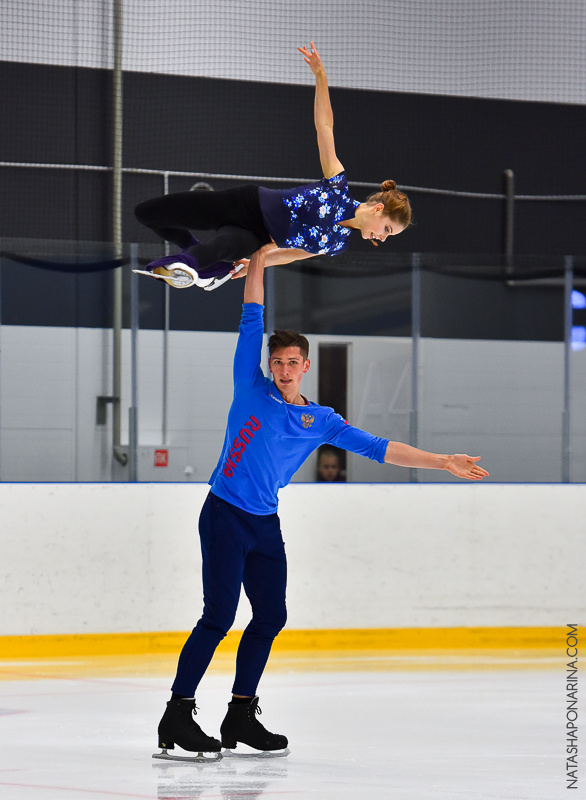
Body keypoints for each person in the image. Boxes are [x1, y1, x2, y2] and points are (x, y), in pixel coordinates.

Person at [155, 244, 489, 761]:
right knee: (218, 617)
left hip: (265, 524)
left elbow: (382, 449)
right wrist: (259, 262)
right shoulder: (251, 384)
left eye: (293, 362)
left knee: (270, 617)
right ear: (269, 363)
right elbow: (252, 311)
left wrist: (442, 460)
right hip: (223, 514)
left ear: (305, 365)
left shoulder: (322, 420)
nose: (285, 369)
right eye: (278, 361)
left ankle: (240, 713)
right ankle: (177, 713)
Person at [134, 42, 412, 292]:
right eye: (387, 229)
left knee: (223, 248)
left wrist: (255, 264)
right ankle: (195, 257)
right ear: (378, 209)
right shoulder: (337, 187)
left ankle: (184, 266)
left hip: (256, 236)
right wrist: (321, 77)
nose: (382, 238)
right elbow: (325, 128)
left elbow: (292, 253)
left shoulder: (339, 244)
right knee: (147, 213)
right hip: (244, 204)